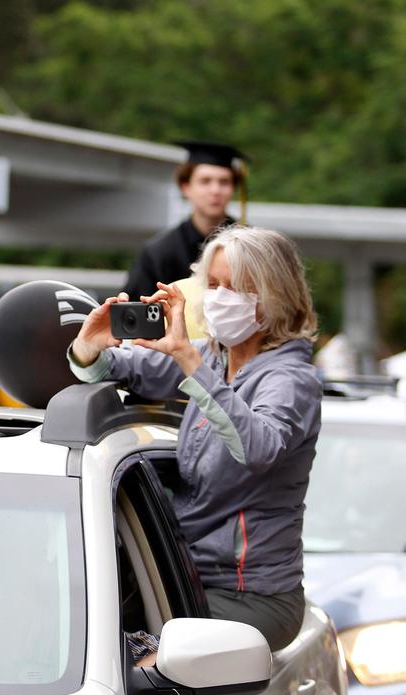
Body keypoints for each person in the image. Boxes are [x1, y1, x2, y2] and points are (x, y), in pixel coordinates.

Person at [69, 226, 321, 651]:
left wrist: (187, 357)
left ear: (275, 294)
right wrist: (88, 346)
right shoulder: (212, 356)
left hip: (250, 597)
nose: (220, 297)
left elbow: (256, 447)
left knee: (131, 660)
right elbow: (117, 367)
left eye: (236, 288)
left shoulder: (290, 378)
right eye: (215, 284)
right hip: (182, 574)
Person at [123, 141, 248, 300]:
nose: (215, 190)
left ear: (233, 188)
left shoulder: (250, 247)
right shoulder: (159, 253)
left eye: (224, 182)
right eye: (205, 181)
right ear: (186, 187)